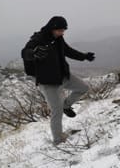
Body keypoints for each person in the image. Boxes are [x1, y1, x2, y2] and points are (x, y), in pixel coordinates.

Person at [20, 16, 95, 146]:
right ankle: (58, 140)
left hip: (63, 76)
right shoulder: (38, 39)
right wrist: (34, 53)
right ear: (52, 28)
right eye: (60, 30)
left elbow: (68, 51)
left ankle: (66, 105)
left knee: (83, 88)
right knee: (57, 111)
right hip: (48, 82)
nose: (62, 33)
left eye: (63, 30)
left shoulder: (58, 38)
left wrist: (84, 56)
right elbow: (25, 52)